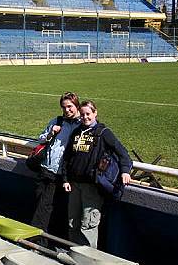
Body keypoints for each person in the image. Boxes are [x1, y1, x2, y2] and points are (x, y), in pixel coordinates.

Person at [62, 100, 132, 248]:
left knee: (88, 225)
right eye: (82, 114)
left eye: (88, 114)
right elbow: (67, 158)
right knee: (72, 222)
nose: (85, 117)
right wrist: (65, 179)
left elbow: (123, 153)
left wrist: (125, 171)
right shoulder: (76, 132)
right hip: (74, 185)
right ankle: (74, 254)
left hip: (92, 187)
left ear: (95, 113)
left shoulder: (103, 133)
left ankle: (87, 262)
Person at [31, 92, 81, 235]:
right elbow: (41, 139)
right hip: (47, 171)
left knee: (57, 211)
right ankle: (38, 241)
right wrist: (50, 134)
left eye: (70, 106)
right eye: (64, 107)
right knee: (41, 208)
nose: (67, 110)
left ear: (76, 105)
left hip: (65, 176)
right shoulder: (57, 121)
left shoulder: (82, 125)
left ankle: (44, 240)